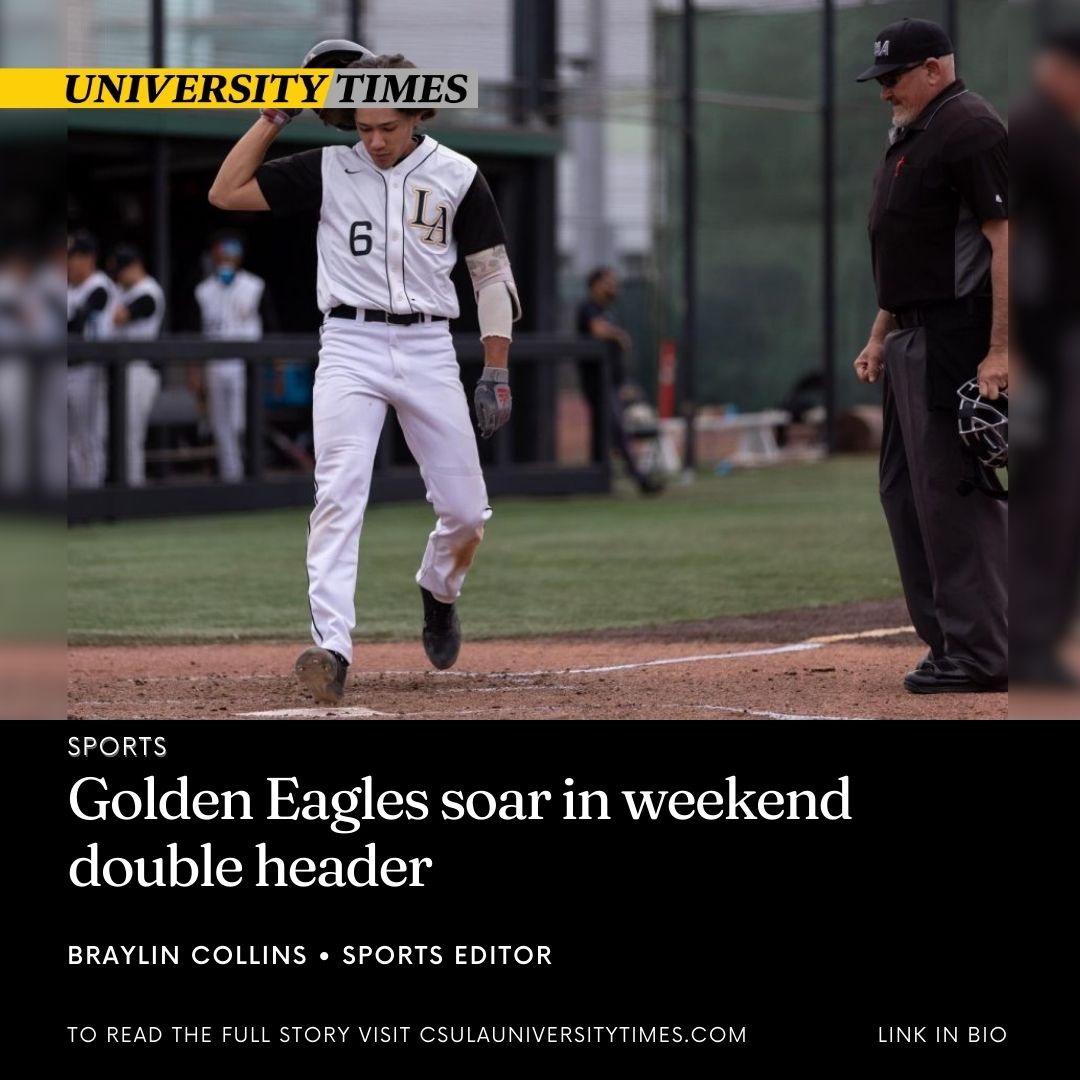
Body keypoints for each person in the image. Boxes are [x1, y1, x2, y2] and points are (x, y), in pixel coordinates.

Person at [208, 46, 519, 706]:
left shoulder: (459, 175)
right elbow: (225, 191)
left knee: (466, 513)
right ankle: (332, 649)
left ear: (418, 115)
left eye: (388, 126)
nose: (375, 140)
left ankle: (439, 590)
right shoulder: (328, 167)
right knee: (339, 493)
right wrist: (275, 115)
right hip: (350, 343)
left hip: (429, 345)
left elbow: (491, 276)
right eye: (363, 126)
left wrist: (496, 367)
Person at [853, 18, 1008, 694]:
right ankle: (950, 643)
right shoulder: (915, 136)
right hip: (910, 337)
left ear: (934, 69)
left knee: (954, 497)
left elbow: (1007, 241)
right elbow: (910, 255)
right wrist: (879, 334)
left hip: (956, 337)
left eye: (893, 77)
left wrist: (1000, 350)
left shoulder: (970, 127)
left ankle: (985, 652)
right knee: (904, 494)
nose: (884, 90)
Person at [193, 233, 274, 482]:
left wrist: (277, 369)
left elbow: (271, 328)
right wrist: (193, 370)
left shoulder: (255, 286)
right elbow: (194, 333)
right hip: (215, 364)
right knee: (220, 424)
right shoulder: (203, 291)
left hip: (246, 365)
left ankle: (251, 475)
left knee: (242, 422)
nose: (226, 259)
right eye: (221, 253)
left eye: (231, 253)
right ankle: (232, 477)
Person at [576, 267, 662, 494]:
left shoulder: (608, 310)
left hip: (613, 382)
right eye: (608, 282)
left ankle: (597, 482)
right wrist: (619, 335)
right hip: (597, 382)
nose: (614, 287)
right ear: (596, 284)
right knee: (618, 430)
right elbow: (597, 330)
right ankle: (640, 479)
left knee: (605, 431)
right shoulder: (588, 307)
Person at [109, 245, 164, 486]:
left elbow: (120, 317)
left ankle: (133, 486)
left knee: (131, 434)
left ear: (135, 267)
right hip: (122, 370)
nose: (118, 277)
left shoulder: (149, 291)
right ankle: (124, 484)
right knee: (120, 434)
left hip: (140, 370)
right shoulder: (122, 290)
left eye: (122, 271)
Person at [67, 229, 116, 489]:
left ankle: (92, 494)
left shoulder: (99, 286)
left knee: (89, 437)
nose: (68, 263)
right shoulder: (68, 289)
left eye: (73, 257)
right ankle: (77, 495)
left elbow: (78, 323)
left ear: (89, 258)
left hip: (90, 369)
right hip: (67, 369)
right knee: (70, 439)